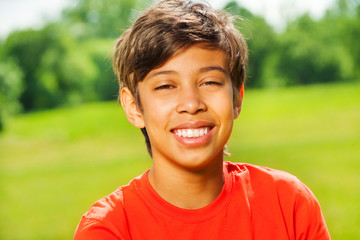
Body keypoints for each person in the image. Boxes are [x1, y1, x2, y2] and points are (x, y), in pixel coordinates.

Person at [74, 0, 330, 239]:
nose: (191, 104)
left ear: (237, 98)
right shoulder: (109, 228)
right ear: (134, 107)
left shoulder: (288, 202)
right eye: (165, 86)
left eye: (209, 82)